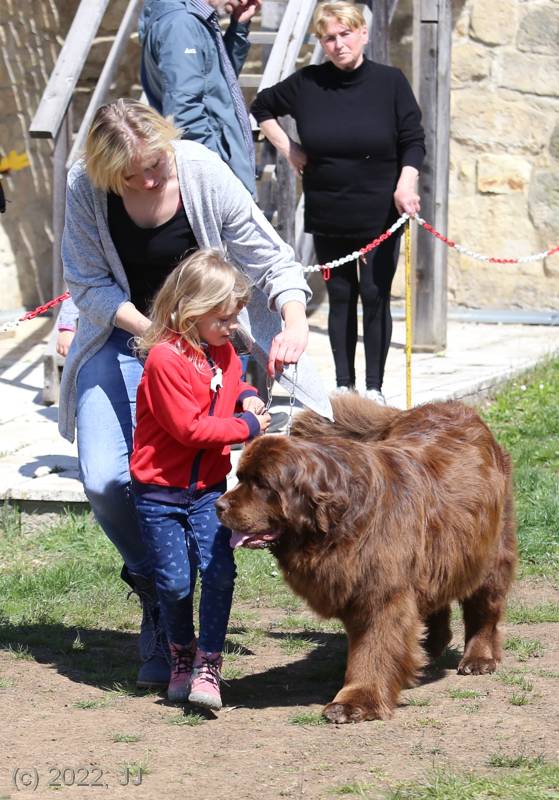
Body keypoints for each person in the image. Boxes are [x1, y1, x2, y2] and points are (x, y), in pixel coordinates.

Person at [58, 98, 328, 691]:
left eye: (155, 166)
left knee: (201, 472)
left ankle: (186, 619)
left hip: (208, 341)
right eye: (132, 176)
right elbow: (86, 282)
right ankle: (156, 588)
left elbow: (270, 256)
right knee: (105, 479)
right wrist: (156, 335)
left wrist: (292, 318)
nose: (149, 181)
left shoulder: (201, 170)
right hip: (127, 335)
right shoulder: (84, 186)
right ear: (105, 171)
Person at [251, 1, 425, 404]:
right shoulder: (308, 83)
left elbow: (413, 140)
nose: (338, 44)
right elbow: (262, 106)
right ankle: (344, 385)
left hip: (381, 211)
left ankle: (374, 388)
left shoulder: (390, 82)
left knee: (375, 295)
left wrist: (406, 183)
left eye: (346, 34)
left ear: (362, 33)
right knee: (341, 297)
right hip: (329, 209)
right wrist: (289, 149)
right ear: (322, 42)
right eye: (329, 38)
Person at [130, 250, 270, 710]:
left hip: (208, 491)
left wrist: (246, 397)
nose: (231, 327)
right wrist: (247, 427)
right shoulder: (164, 360)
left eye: (234, 317)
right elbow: (189, 429)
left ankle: (209, 662)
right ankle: (181, 654)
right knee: (174, 583)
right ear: (189, 310)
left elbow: (231, 382)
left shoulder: (224, 352)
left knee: (219, 571)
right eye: (223, 318)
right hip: (160, 494)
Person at [139, 0, 261, 195]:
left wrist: (238, 28)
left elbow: (217, 82)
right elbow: (184, 113)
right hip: (213, 181)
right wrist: (217, 179)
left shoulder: (189, 19)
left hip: (213, 173)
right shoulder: (182, 25)